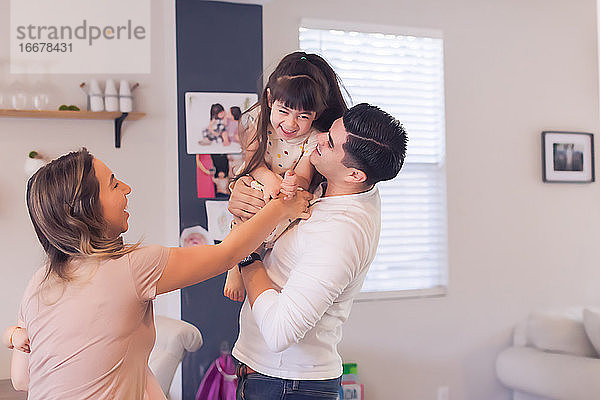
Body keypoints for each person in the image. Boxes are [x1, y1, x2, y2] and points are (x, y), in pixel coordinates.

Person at [4, 148, 311, 400]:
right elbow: (225, 255)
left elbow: (21, 379)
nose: (127, 188)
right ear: (88, 210)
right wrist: (283, 208)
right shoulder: (132, 267)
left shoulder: (40, 282)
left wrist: (22, 338)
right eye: (113, 184)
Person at [228, 103, 408, 400]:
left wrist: (246, 255)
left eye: (330, 142)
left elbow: (279, 331)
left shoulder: (340, 234)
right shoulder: (342, 189)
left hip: (286, 385)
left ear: (354, 175)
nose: (318, 138)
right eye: (329, 130)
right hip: (277, 379)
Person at [223, 51, 348, 302]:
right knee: (248, 214)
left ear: (317, 113)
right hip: (260, 178)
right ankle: (233, 265)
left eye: (303, 116)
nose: (291, 124)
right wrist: (267, 181)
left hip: (288, 193)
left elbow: (303, 176)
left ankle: (249, 258)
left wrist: (291, 184)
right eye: (284, 111)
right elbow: (251, 160)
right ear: (270, 100)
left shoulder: (313, 139)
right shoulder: (258, 119)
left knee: (276, 217)